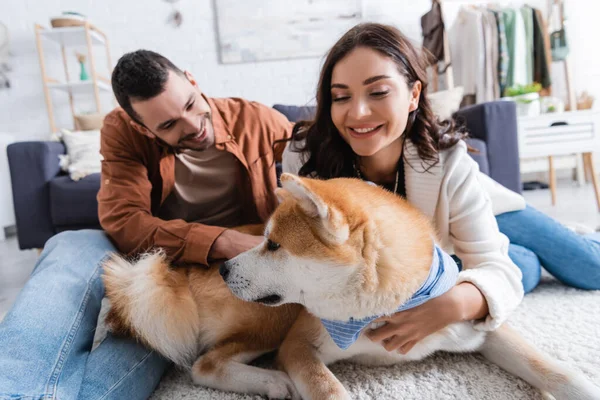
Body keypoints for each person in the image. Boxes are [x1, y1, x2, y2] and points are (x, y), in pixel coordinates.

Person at [282, 22, 600, 356]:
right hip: (451, 251)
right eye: (341, 96)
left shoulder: (449, 162)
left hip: (492, 208)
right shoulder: (305, 160)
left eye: (378, 92)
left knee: (589, 267)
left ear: (413, 95)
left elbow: (493, 268)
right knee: (525, 269)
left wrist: (450, 306)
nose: (358, 112)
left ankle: (579, 234)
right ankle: (520, 253)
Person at [0, 50, 293, 399]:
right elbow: (125, 222)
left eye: (189, 104)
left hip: (223, 267)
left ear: (193, 81)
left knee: (153, 325)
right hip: (160, 256)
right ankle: (12, 389)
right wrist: (223, 240)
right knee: (67, 244)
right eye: (168, 125)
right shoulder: (122, 131)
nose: (193, 127)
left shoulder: (258, 120)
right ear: (142, 127)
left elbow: (319, 166)